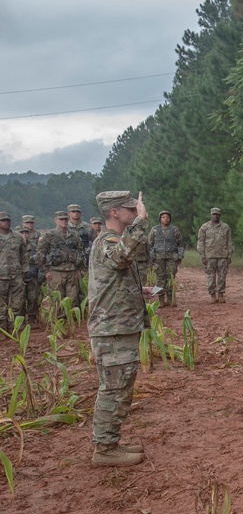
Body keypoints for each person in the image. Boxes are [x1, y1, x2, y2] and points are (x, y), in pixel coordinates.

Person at [88, 190, 155, 466]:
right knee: (113, 389)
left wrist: (140, 290)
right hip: (112, 329)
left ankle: (110, 443)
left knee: (120, 387)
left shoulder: (113, 241)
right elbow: (119, 258)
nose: (135, 211)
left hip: (119, 327)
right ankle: (104, 449)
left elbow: (113, 279)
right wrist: (141, 223)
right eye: (130, 208)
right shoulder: (108, 240)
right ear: (114, 212)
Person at [36, 211, 84, 305]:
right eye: (61, 219)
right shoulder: (49, 235)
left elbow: (81, 251)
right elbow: (40, 253)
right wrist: (46, 270)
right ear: (55, 220)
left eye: (65, 219)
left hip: (72, 271)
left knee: (73, 299)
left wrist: (80, 270)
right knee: (57, 300)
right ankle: (58, 319)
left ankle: (71, 319)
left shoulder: (74, 235)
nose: (64, 221)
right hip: (55, 271)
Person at [196, 207, 234, 303]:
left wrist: (229, 255)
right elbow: (201, 242)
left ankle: (221, 294)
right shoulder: (204, 227)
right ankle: (212, 295)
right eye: (214, 214)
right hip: (210, 255)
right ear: (211, 215)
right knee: (211, 276)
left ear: (219, 215)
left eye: (217, 214)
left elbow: (229, 242)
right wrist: (203, 255)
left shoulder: (225, 227)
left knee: (222, 276)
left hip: (222, 255)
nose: (215, 216)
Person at [0, 212, 28, 334]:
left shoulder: (18, 237)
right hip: (1, 275)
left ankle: (14, 328)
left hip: (16, 274)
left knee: (17, 303)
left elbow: (24, 255)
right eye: (3, 220)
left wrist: (25, 270)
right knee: (1, 305)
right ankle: (2, 329)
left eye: (8, 220)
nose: (6, 222)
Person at [149, 210, 184, 306]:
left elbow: (180, 244)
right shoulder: (154, 230)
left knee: (171, 278)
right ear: (160, 219)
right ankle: (160, 300)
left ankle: (170, 298)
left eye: (167, 217)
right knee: (160, 279)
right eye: (163, 217)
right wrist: (151, 258)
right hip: (158, 258)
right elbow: (149, 245)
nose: (165, 219)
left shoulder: (175, 229)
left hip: (172, 258)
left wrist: (180, 256)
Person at [19, 215, 42, 323]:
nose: (25, 234)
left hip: (33, 274)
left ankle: (32, 319)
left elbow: (40, 258)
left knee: (33, 297)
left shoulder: (35, 243)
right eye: (22, 233)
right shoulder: (15, 244)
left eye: (26, 233)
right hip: (19, 276)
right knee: (20, 299)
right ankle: (21, 320)